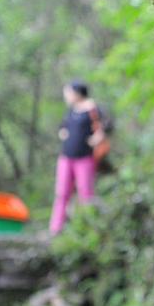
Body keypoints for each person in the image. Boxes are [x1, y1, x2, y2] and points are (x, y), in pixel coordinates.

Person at [49, 80, 105, 235]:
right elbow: (62, 128)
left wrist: (96, 139)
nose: (66, 96)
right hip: (66, 157)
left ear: (77, 93)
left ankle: (88, 228)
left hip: (84, 158)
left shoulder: (93, 109)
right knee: (62, 193)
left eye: (68, 92)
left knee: (86, 193)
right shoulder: (71, 111)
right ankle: (56, 228)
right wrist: (64, 134)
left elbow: (104, 128)